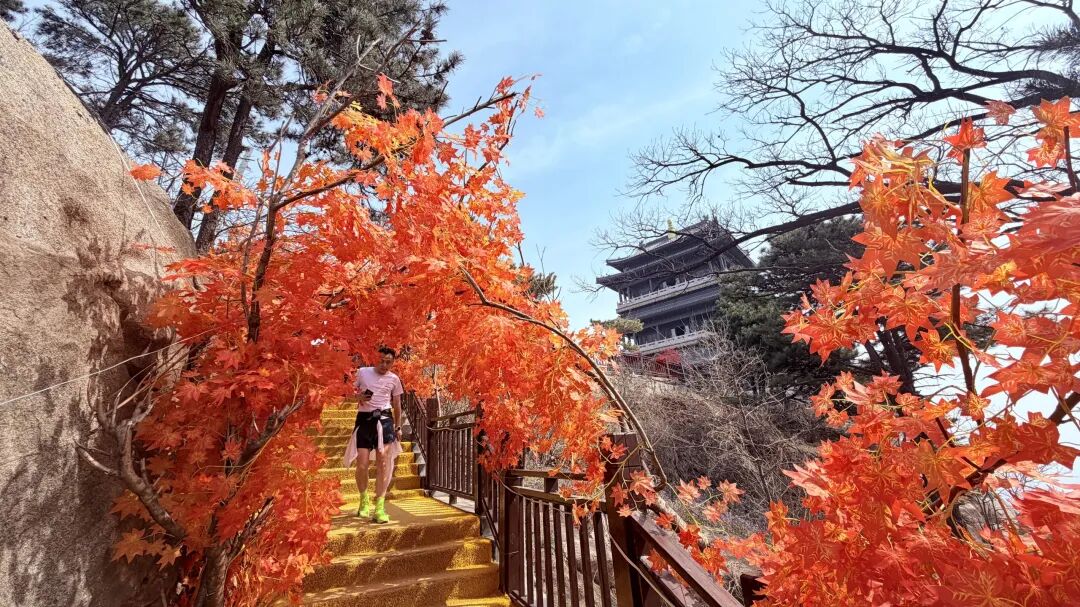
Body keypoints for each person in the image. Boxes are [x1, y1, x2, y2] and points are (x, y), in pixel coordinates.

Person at [343, 347, 403, 524]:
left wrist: (398, 427)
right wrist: (359, 397)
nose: (384, 365)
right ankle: (364, 500)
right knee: (361, 464)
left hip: (384, 420)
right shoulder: (362, 373)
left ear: (393, 363)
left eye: (388, 362)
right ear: (375, 359)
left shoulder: (394, 379)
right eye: (381, 360)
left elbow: (397, 404)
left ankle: (380, 506)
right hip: (364, 419)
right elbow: (347, 394)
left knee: (383, 461)